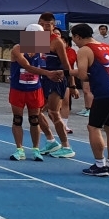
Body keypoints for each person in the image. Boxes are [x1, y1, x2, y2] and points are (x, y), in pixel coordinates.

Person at [71, 24, 109, 176]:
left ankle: (99, 165)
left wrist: (68, 72)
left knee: (93, 127)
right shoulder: (106, 46)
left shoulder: (84, 50)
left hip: (106, 92)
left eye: (74, 38)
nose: (74, 41)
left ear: (78, 36)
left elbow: (83, 75)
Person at [7, 24, 64, 161]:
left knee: (34, 119)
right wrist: (48, 73)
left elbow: (46, 64)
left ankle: (36, 149)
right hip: (18, 89)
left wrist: (60, 74)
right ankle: (19, 149)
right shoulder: (17, 48)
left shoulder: (41, 48)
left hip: (34, 89)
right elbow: (27, 66)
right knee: (18, 119)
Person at [35, 13, 76, 157]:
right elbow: (27, 61)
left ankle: (66, 146)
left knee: (53, 112)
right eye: (42, 24)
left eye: (48, 25)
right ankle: (51, 140)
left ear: (53, 26)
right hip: (40, 79)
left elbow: (67, 65)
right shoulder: (35, 37)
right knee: (35, 112)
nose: (44, 27)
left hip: (56, 80)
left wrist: (72, 85)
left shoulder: (57, 41)